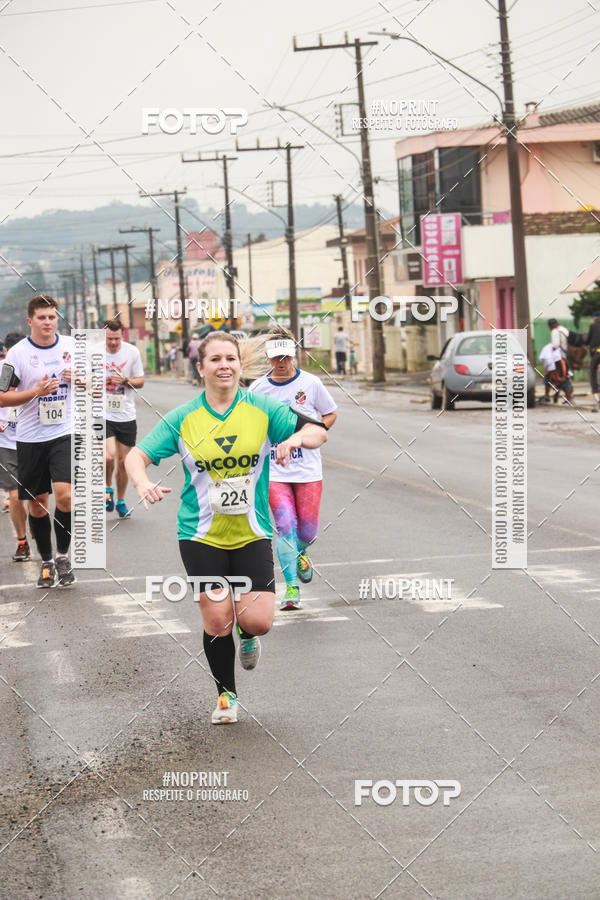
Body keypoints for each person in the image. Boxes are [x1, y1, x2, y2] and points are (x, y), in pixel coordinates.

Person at [125, 332, 327, 725]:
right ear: (200, 368)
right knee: (217, 620)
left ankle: (247, 636)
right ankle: (226, 697)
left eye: (230, 359)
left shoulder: (263, 408)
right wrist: (142, 483)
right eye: (215, 359)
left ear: (239, 365)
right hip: (200, 535)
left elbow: (318, 430)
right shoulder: (184, 418)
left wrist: (296, 439)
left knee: (256, 621)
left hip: (252, 531)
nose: (224, 366)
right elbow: (137, 455)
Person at [249, 327, 337, 610]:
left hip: (308, 470)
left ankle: (301, 552)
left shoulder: (311, 384)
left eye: (286, 357)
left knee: (308, 531)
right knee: (285, 526)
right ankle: (291, 589)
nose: (282, 363)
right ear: (267, 357)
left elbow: (330, 414)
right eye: (276, 358)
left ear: (294, 354)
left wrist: (313, 433)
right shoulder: (258, 389)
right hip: (274, 471)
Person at [0, 296, 75, 587]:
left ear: (58, 319)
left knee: (66, 495)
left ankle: (62, 555)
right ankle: (46, 561)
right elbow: (3, 395)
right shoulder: (16, 355)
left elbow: (93, 381)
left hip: (63, 432)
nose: (48, 323)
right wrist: (36, 391)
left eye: (52, 317)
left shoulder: (71, 347)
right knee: (38, 502)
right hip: (30, 437)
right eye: (42, 318)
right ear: (30, 321)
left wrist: (79, 378)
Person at [103, 319, 145, 517]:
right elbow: (82, 377)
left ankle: (120, 500)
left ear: (123, 336)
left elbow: (141, 381)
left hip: (126, 414)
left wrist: (126, 381)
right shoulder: (94, 352)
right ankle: (107, 488)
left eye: (116, 339)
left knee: (123, 462)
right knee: (108, 456)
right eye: (109, 339)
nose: (113, 343)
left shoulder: (132, 352)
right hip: (102, 413)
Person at [0, 332, 29, 560]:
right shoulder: (2, 371)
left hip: (35, 439)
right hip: (7, 442)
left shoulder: (34, 366)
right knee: (16, 495)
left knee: (39, 497)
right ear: (7, 352)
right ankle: (22, 541)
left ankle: (41, 532)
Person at [548, 318, 573, 403]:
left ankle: (568, 398)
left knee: (560, 377)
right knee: (566, 376)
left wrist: (550, 349)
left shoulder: (555, 331)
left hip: (560, 358)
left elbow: (555, 345)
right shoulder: (563, 329)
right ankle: (568, 398)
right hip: (568, 356)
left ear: (550, 327)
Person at [585, 311, 600, 412]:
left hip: (597, 352)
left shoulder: (592, 326)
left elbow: (587, 340)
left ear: (594, 318)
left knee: (592, 370)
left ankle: (595, 389)